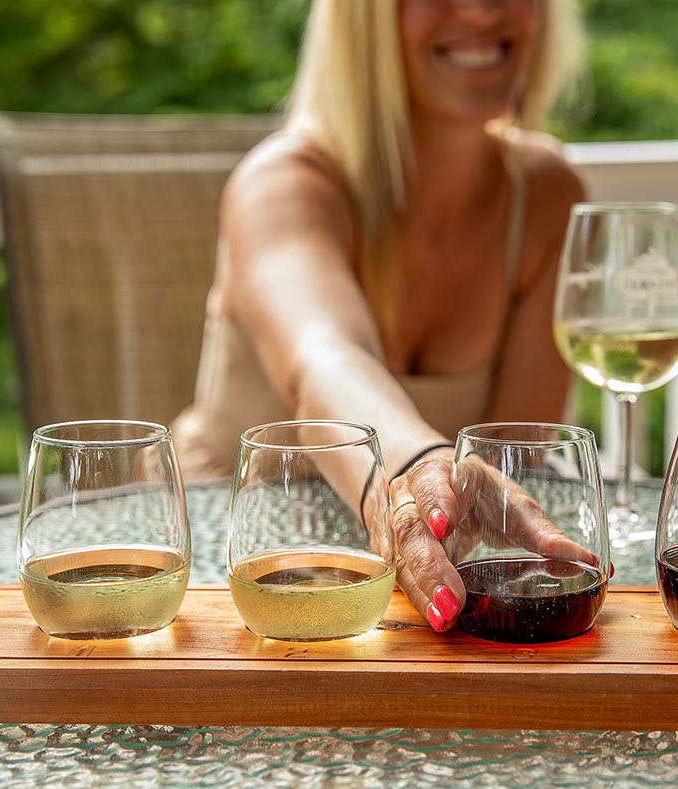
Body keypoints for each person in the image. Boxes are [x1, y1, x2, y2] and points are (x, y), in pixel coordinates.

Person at [172, 0, 587, 632]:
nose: (480, 11)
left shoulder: (548, 196)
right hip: (234, 570)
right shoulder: (283, 182)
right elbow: (323, 361)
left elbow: (516, 458)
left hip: (439, 582)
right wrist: (414, 471)